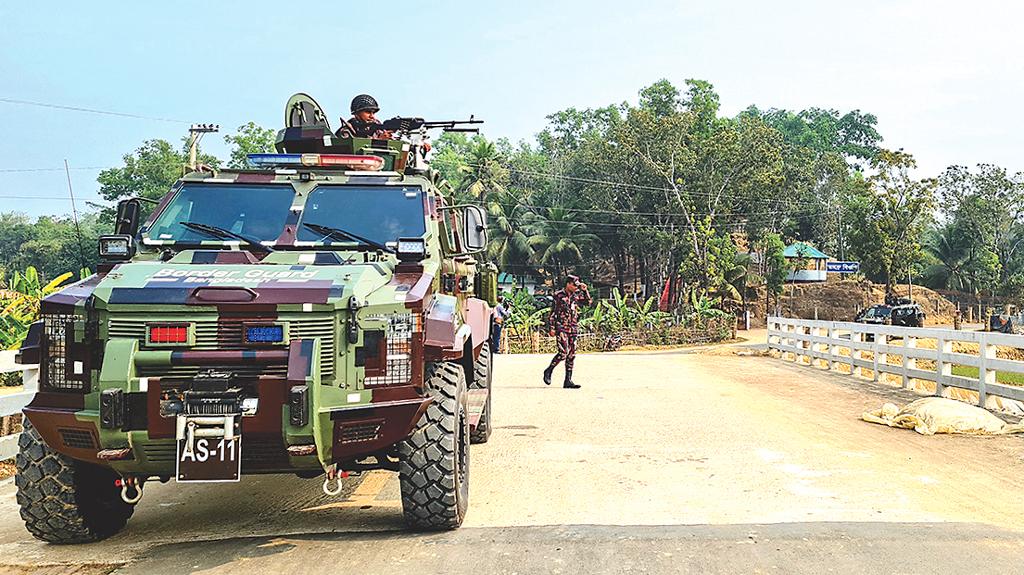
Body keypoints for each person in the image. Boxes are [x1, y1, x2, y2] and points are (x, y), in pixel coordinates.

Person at [543, 275, 591, 389]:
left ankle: (568, 380)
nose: (576, 287)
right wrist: (552, 327)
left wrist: (585, 291)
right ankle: (549, 370)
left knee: (571, 355)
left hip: (573, 327)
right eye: (574, 285)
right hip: (561, 327)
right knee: (563, 352)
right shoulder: (559, 295)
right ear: (568, 284)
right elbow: (553, 312)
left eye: (577, 285)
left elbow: (587, 302)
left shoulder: (576, 295)